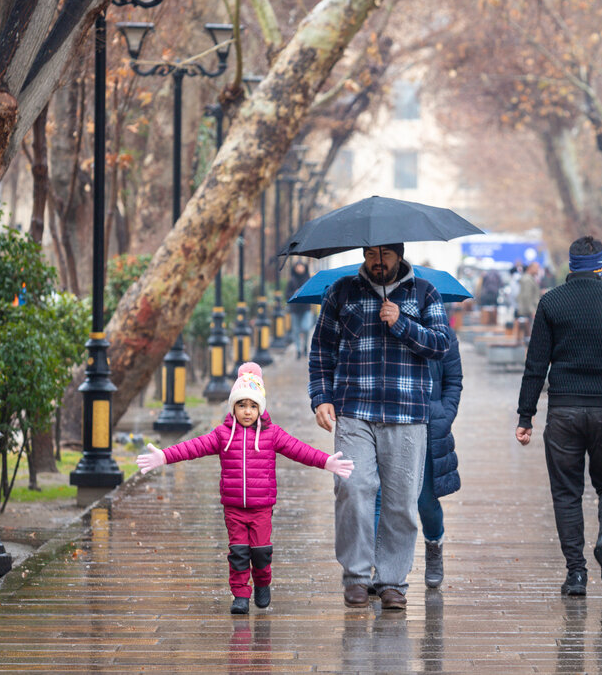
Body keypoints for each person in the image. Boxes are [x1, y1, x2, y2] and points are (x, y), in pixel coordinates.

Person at [136, 363, 354, 615]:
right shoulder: (221, 435)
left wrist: (326, 461)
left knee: (261, 553)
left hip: (261, 508)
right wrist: (163, 456)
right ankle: (240, 595)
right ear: (233, 407)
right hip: (234, 508)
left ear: (260, 407)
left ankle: (262, 583)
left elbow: (299, 450)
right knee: (238, 553)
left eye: (252, 405)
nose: (247, 411)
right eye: (241, 405)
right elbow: (192, 447)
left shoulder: (272, 435)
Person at [309, 243, 451, 610]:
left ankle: (391, 582)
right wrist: (321, 397)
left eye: (385, 254)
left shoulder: (424, 292)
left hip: (407, 414)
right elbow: (321, 350)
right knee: (353, 489)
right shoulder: (341, 292)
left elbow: (440, 346)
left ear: (399, 255)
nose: (377, 261)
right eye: (371, 253)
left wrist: (402, 323)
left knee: (401, 502)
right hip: (354, 410)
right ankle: (356, 577)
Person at [515, 236, 602, 597]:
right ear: (601, 265)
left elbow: (536, 364)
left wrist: (526, 415)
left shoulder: (552, 301)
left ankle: (576, 574)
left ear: (570, 266)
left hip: (563, 412)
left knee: (566, 493)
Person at [374, 328, 464, 588]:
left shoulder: (443, 333)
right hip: (389, 421)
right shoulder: (386, 326)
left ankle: (434, 544)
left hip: (427, 423)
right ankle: (382, 566)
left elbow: (453, 380)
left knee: (425, 499)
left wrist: (444, 415)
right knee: (382, 497)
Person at [286, 260, 314, 358]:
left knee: (306, 328)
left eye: (301, 266)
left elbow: (312, 292)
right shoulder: (291, 280)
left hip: (306, 308)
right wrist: (295, 292)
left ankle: (305, 346)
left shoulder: (308, 279)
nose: (299, 268)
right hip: (295, 309)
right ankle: (298, 350)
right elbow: (287, 295)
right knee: (296, 330)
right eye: (297, 266)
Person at [515, 262, 541, 341]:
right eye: (536, 268)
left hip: (528, 312)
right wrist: (532, 310)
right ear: (530, 268)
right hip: (528, 312)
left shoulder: (529, 278)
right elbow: (527, 297)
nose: (538, 270)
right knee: (528, 337)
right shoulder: (527, 280)